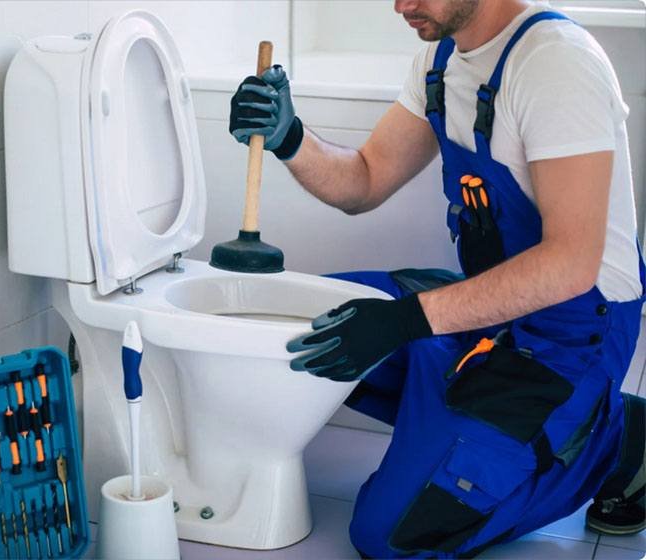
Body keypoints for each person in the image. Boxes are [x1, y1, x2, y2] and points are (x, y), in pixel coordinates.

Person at [229, 0, 645, 557]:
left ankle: (615, 442)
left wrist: (404, 322)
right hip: (494, 311)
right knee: (307, 332)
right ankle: (461, 414)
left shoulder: (555, 65)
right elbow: (367, 179)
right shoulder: (442, 52)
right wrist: (290, 137)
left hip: (569, 336)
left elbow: (571, 264)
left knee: (390, 539)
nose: (400, 5)